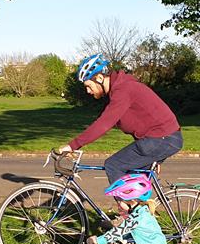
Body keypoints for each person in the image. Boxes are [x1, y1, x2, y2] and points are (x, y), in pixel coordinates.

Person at [58, 53, 183, 185]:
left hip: (162, 139)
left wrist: (72, 146)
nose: (88, 91)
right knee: (132, 180)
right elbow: (140, 122)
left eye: (89, 86)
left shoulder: (123, 90)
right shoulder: (120, 89)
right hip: (163, 139)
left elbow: (103, 124)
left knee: (113, 165)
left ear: (99, 78)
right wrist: (155, 156)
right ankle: (138, 204)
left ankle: (127, 204)